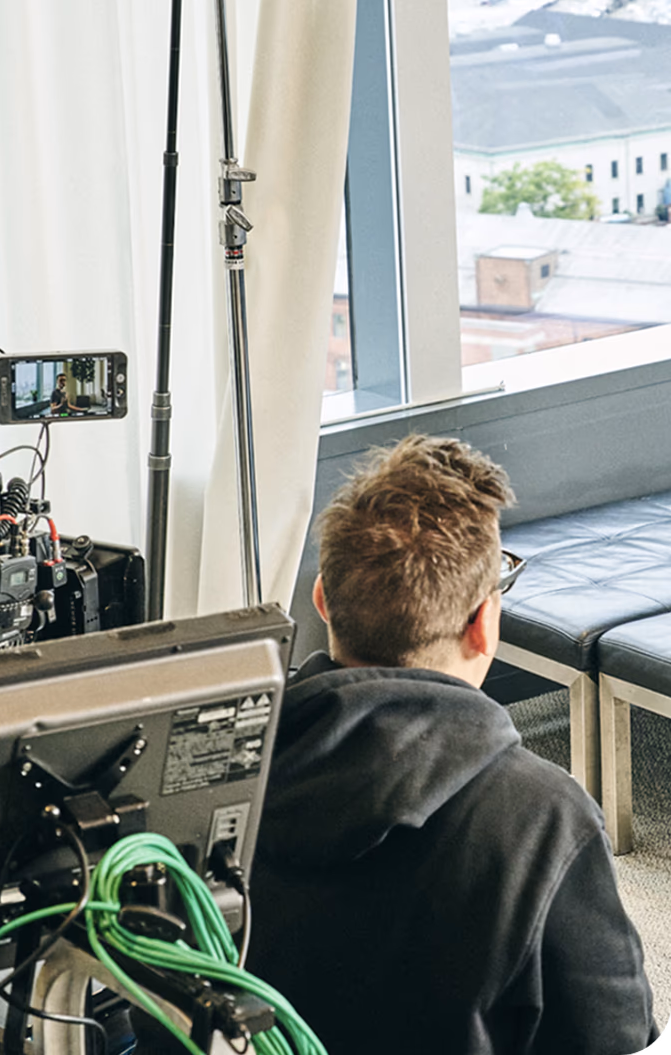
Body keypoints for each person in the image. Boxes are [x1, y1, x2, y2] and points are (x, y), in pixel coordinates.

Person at [245, 435, 661, 1055]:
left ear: (324, 602)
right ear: (484, 621)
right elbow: (614, 1038)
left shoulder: (226, 782)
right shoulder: (542, 817)